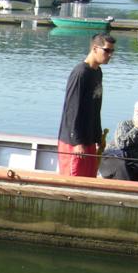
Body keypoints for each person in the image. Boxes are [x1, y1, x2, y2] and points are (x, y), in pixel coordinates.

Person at [57, 33, 115, 177]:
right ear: (95, 48)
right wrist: (77, 142)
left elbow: (95, 108)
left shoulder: (97, 72)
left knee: (89, 179)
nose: (110, 55)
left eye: (112, 51)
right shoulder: (80, 73)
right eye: (107, 50)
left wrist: (98, 137)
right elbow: (72, 109)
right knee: (74, 182)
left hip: (88, 140)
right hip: (74, 143)